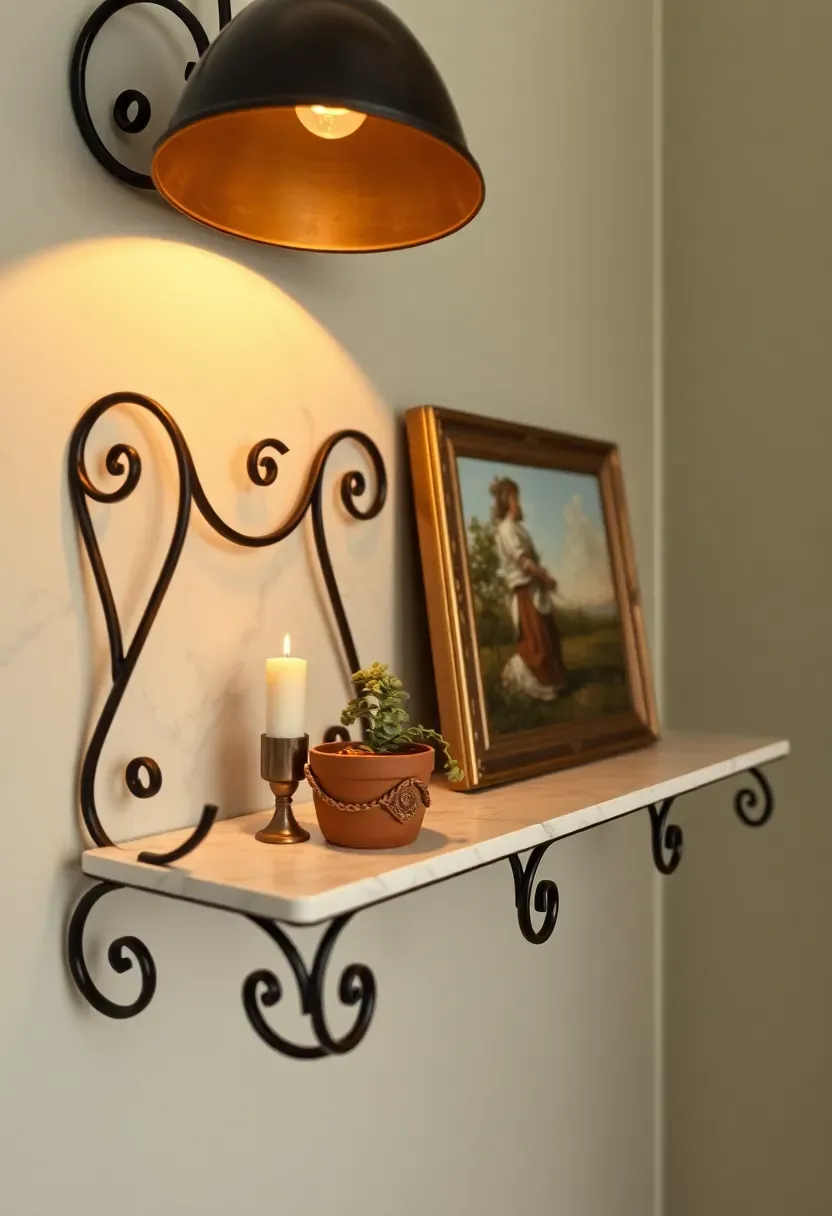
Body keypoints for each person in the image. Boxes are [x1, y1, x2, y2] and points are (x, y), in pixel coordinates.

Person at [491, 476, 568, 701]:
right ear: (507, 501)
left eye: (518, 497)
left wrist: (543, 581)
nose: (519, 503)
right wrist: (545, 577)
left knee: (549, 637)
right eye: (515, 498)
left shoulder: (518, 528)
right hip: (525, 593)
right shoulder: (506, 529)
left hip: (535, 591)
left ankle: (553, 682)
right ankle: (517, 682)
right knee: (536, 643)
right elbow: (523, 561)